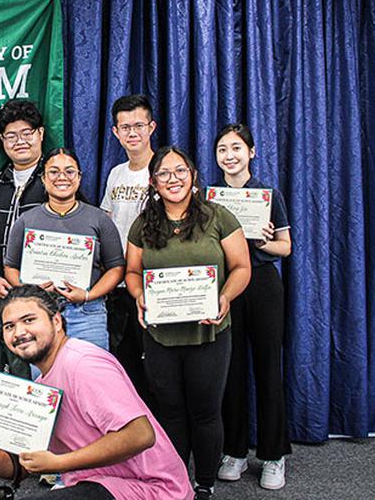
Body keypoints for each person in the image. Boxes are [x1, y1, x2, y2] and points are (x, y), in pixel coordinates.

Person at [0, 285, 192, 499]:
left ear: (56, 322)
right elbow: (21, 468)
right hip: (100, 484)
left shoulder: (83, 363)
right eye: (9, 326)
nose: (18, 332)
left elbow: (141, 435)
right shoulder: (42, 386)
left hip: (151, 489)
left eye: (29, 320)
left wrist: (59, 462)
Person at [124, 146, 251, 499]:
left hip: (209, 332)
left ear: (193, 174)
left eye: (180, 171)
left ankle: (205, 483)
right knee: (171, 412)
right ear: (153, 182)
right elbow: (133, 272)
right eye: (164, 173)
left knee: (206, 412)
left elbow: (242, 268)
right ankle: (176, 482)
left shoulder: (218, 216)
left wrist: (224, 297)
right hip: (160, 336)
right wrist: (139, 295)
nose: (173, 179)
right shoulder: (143, 223)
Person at [213, 124, 292, 490]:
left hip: (262, 286)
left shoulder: (268, 193)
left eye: (236, 148)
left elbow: (285, 248)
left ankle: (274, 456)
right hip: (227, 286)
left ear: (251, 152)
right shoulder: (210, 199)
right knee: (230, 371)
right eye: (222, 150)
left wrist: (263, 241)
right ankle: (235, 451)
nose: (229, 156)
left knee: (267, 368)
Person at [4, 148, 124, 350]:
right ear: (43, 178)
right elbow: (10, 267)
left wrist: (88, 295)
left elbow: (116, 268)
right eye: (53, 171)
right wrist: (31, 290)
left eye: (70, 171)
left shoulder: (99, 219)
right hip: (40, 312)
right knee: (46, 380)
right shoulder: (26, 220)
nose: (62, 177)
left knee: (91, 377)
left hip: (88, 313)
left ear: (79, 178)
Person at [0, 99, 48, 374]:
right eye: (11, 136)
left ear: (41, 134)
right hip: (1, 295)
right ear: (1, 140)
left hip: (44, 297)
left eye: (27, 133)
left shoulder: (55, 178)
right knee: (1, 372)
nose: (19, 141)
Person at [100, 94, 158, 406]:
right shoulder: (116, 174)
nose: (132, 133)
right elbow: (107, 223)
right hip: (119, 283)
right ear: (115, 133)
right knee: (127, 365)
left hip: (154, 284)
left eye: (138, 125)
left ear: (152, 127)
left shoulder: (166, 171)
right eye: (125, 127)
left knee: (158, 369)